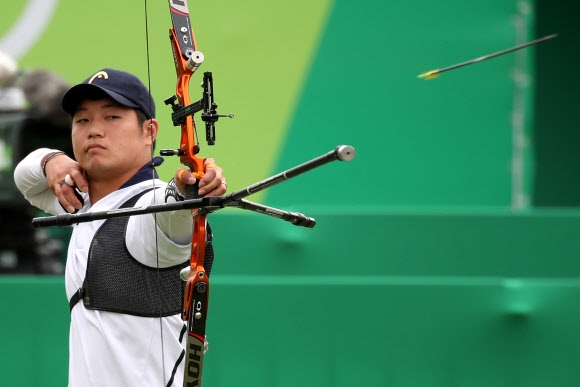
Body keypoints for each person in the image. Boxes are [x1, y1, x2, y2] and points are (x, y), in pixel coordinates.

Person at [13, 68, 226, 386]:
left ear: (149, 131)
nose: (94, 131)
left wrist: (186, 189)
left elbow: (169, 215)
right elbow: (25, 178)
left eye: (112, 117)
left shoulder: (148, 205)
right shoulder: (81, 202)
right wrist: (52, 160)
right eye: (82, 120)